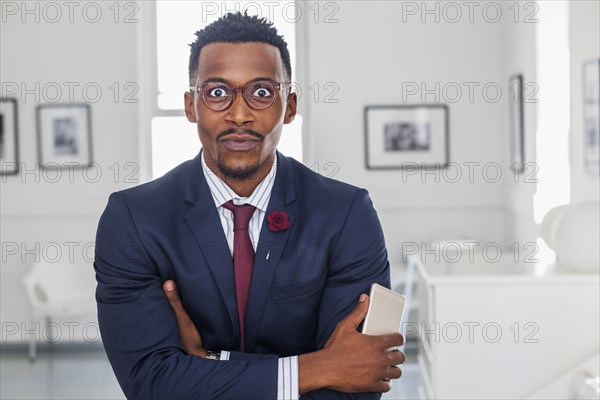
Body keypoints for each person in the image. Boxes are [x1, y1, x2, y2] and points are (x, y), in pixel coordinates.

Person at [94, 12, 405, 400]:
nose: (239, 115)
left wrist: (210, 359)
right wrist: (319, 367)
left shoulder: (346, 213)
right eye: (217, 92)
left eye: (261, 92)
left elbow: (360, 377)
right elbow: (152, 382)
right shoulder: (134, 220)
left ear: (289, 107)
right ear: (191, 106)